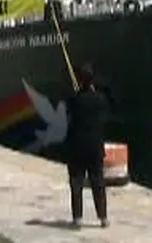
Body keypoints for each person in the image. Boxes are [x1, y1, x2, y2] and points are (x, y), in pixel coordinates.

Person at [63, 63, 111, 229]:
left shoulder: (74, 100)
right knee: (98, 183)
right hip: (95, 147)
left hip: (77, 147)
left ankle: (77, 218)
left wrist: (78, 92)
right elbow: (105, 106)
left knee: (76, 184)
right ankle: (103, 217)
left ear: (80, 80)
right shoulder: (100, 99)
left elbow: (69, 111)